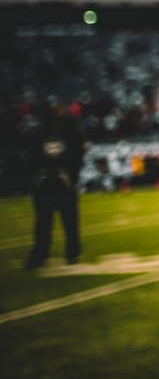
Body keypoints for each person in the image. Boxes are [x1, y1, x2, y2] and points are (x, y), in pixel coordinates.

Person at [25, 99, 85, 270]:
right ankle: (41, 253)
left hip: (62, 182)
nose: (56, 113)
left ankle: (72, 251)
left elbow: (77, 154)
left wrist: (71, 175)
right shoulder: (40, 133)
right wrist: (37, 176)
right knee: (44, 222)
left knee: (69, 221)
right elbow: (32, 157)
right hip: (46, 183)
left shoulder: (70, 133)